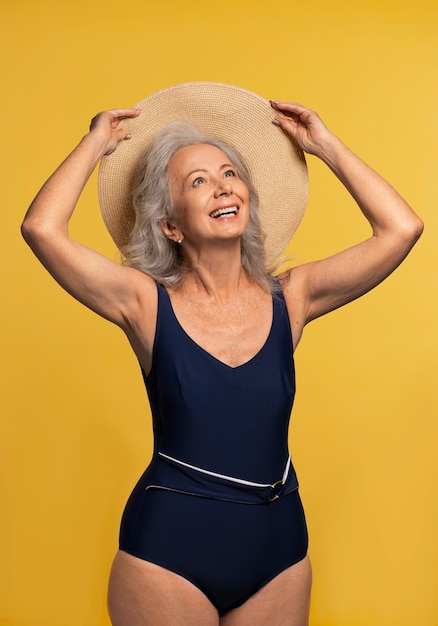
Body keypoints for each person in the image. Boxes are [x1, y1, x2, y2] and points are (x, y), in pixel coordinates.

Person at [21, 83, 423, 626]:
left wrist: (324, 146)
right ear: (170, 225)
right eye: (198, 181)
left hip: (278, 552)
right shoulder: (144, 303)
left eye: (230, 174)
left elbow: (402, 228)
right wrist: (95, 145)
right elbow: (41, 229)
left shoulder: (293, 298)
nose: (221, 187)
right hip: (168, 554)